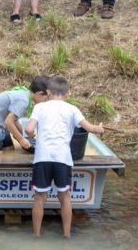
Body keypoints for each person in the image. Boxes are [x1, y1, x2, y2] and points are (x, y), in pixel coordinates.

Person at [25, 76, 105, 238]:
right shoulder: (72, 109)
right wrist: (100, 129)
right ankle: (67, 235)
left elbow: (28, 129)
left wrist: (32, 133)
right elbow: (89, 128)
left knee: (40, 197)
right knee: (65, 197)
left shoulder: (40, 107)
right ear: (68, 93)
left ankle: (36, 235)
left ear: (47, 92)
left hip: (42, 157)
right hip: (63, 158)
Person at [0, 75, 49, 154]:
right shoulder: (23, 101)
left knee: (10, 150)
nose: (45, 101)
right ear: (40, 93)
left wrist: (22, 134)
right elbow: (8, 122)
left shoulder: (24, 93)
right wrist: (21, 139)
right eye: (45, 98)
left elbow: (13, 119)